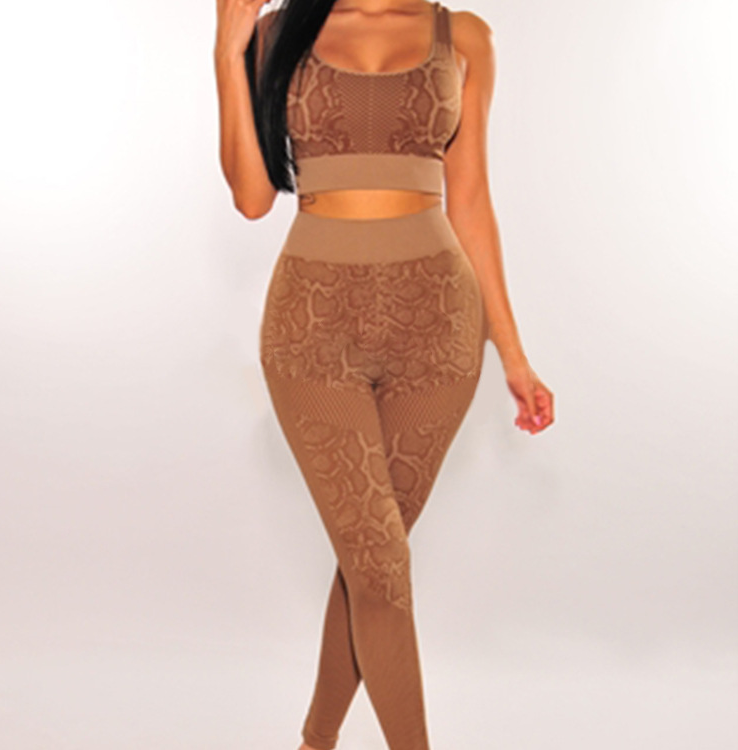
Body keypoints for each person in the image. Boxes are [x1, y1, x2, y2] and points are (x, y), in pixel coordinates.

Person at [214, 0, 555, 747]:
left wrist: (514, 355)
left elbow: (471, 203)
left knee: (375, 565)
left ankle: (315, 742)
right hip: (312, 330)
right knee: (377, 564)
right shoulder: (274, 31)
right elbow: (251, 197)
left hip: (438, 333)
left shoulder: (463, 35)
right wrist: (226, 52)